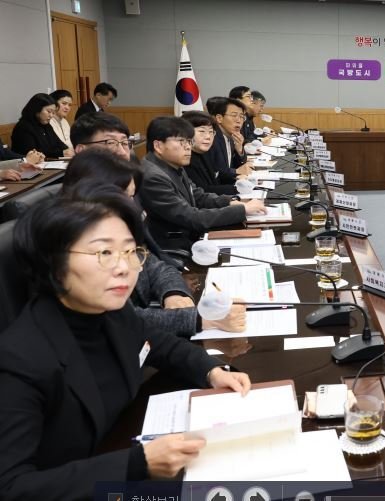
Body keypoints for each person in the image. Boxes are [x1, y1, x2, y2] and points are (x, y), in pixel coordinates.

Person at [0, 188, 251, 500]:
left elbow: (158, 343)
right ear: (52, 263)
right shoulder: (19, 360)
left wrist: (211, 371)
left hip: (122, 445)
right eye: (104, 253)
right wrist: (137, 464)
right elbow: (11, 487)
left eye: (131, 251)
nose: (125, 267)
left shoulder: (111, 312)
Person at [61, 151, 247, 338]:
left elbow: (153, 265)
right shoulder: (76, 249)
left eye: (132, 196)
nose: (134, 207)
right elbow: (118, 319)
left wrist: (173, 293)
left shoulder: (118, 228)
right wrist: (201, 320)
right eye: (123, 197)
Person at [137, 116, 264, 250]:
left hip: (192, 237)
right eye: (181, 141)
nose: (188, 147)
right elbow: (191, 217)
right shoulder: (153, 176)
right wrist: (242, 210)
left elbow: (199, 196)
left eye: (189, 141)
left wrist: (230, 202)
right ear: (158, 146)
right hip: (175, 247)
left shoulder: (171, 163)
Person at [182, 110, 237, 195]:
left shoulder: (205, 153)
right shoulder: (184, 159)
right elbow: (203, 191)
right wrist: (236, 189)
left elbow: (216, 179)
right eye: (202, 131)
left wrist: (237, 179)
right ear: (186, 133)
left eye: (211, 132)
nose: (208, 136)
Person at [11, 93, 74, 158]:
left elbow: (58, 143)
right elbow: (34, 153)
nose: (51, 115)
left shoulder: (46, 125)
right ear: (37, 109)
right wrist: (61, 153)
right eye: (49, 111)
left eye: (53, 112)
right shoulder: (23, 127)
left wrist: (67, 150)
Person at [206, 97, 252, 185]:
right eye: (234, 115)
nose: (239, 120)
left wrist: (239, 149)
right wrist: (236, 172)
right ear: (219, 118)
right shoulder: (212, 139)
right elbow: (217, 173)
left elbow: (237, 166)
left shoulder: (230, 137)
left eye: (242, 117)